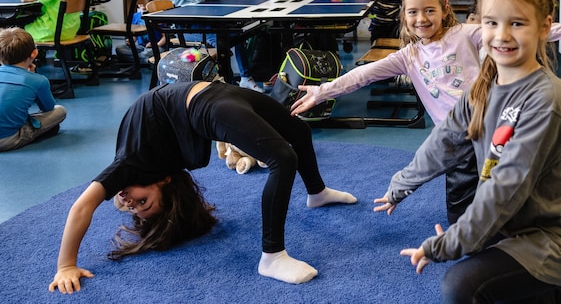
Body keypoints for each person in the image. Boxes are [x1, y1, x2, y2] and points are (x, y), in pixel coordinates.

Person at [292, 0, 561, 296]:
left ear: (445, 10)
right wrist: (321, 91)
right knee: (474, 224)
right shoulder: (410, 56)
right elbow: (364, 77)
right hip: (463, 144)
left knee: (549, 192)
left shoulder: (467, 36)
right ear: (404, 16)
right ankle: (536, 273)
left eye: (429, 10)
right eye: (413, 12)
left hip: (500, 128)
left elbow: (519, 31)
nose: (422, 19)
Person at [374, 0, 561, 303]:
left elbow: (505, 189)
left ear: (544, 28)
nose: (501, 35)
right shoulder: (484, 85)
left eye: (517, 24)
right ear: (478, 25)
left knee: (460, 286)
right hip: (506, 225)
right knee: (470, 237)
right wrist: (401, 185)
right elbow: (444, 140)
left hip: (543, 240)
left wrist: (448, 244)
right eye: (491, 23)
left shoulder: (547, 100)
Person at [48, 81, 357, 294]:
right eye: (143, 204)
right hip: (205, 104)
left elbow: (81, 207)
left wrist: (66, 264)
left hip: (212, 91)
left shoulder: (126, 166)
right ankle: (272, 257)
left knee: (298, 130)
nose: (131, 202)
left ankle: (317, 193)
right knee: (283, 158)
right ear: (164, 183)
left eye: (137, 204)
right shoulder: (141, 168)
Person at [0, 27, 66, 151]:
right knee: (60, 110)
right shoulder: (38, 80)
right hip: (7, 140)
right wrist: (33, 75)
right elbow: (48, 108)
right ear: (34, 53)